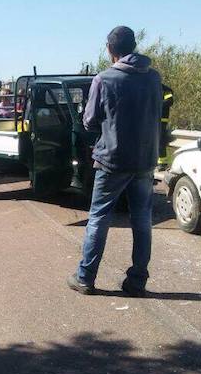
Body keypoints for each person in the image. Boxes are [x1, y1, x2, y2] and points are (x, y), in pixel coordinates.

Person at [67, 26, 162, 297]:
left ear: (110, 49)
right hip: (145, 161)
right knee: (142, 220)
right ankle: (137, 282)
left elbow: (89, 121)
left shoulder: (104, 79)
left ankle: (85, 277)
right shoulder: (154, 78)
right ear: (133, 46)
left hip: (112, 161)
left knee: (98, 218)